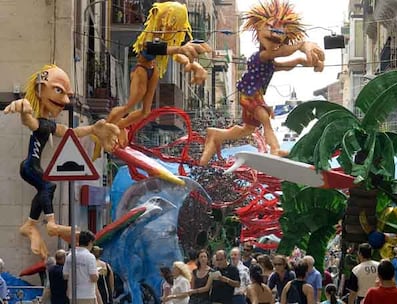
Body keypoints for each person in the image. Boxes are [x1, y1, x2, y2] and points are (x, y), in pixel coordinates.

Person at [4, 65, 119, 259]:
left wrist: (92, 129)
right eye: (59, 91)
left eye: (68, 95)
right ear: (40, 89)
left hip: (35, 166)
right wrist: (23, 109)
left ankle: (31, 224)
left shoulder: (49, 124)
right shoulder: (39, 122)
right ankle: (50, 224)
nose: (65, 100)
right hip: (29, 166)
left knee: (46, 188)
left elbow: (71, 133)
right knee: (48, 185)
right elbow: (29, 122)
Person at [200, 0, 324, 165]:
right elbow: (281, 53)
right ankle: (275, 148)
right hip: (249, 94)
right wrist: (300, 46)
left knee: (248, 129)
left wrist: (302, 60)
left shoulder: (269, 62)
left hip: (253, 95)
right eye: (271, 34)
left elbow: (284, 66)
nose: (274, 40)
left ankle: (216, 135)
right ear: (259, 30)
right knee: (265, 119)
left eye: (279, 38)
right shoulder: (261, 56)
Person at [107, 1, 211, 146]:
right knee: (129, 106)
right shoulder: (149, 37)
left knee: (145, 111)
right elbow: (155, 49)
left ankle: (120, 125)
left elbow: (175, 55)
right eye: (168, 21)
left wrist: (192, 65)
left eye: (173, 24)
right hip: (141, 69)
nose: (168, 27)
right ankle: (109, 125)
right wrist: (180, 50)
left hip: (153, 70)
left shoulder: (167, 41)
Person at [63, 230, 99, 304]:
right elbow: (93, 277)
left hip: (73, 295)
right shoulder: (90, 257)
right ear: (90, 242)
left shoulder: (70, 256)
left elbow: (65, 276)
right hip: (87, 295)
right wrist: (97, 273)